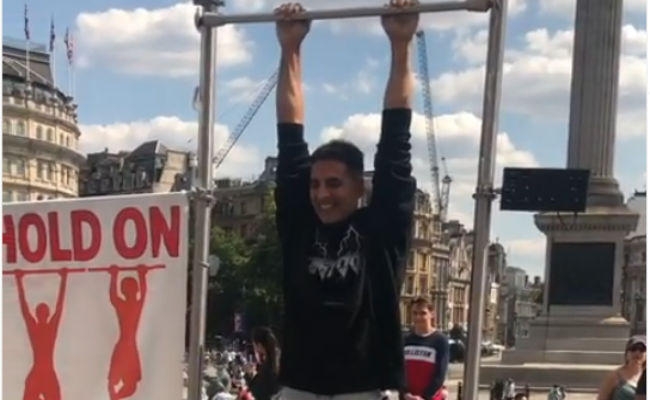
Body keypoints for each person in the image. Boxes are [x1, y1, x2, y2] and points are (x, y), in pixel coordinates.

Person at [273, 0, 418, 398]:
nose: (322, 194)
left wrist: (401, 44)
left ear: (360, 188)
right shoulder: (300, 224)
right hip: (301, 384)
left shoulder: (381, 228)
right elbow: (289, 137)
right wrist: (290, 48)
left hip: (363, 386)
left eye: (334, 184)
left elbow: (396, 138)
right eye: (315, 184)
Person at [15, 268, 68, 400]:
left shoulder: (48, 328)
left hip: (45, 373)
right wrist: (18, 280)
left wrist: (64, 279)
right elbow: (24, 308)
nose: (42, 314)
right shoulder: (38, 328)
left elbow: (59, 307)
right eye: (42, 311)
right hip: (41, 373)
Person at [403, 297, 449, 400]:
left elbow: (440, 374)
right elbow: (400, 371)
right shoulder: (405, 340)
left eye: (423, 313)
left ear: (432, 314)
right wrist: (405, 394)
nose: (418, 317)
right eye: (415, 313)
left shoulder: (440, 340)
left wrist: (424, 397)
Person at [597, 336, 646, 400]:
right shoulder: (614, 376)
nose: (637, 352)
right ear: (627, 353)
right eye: (633, 349)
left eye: (642, 350)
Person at [249, 327, 280, 400]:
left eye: (254, 346)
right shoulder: (277, 363)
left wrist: (249, 376)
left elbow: (257, 392)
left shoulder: (267, 370)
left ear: (259, 346)